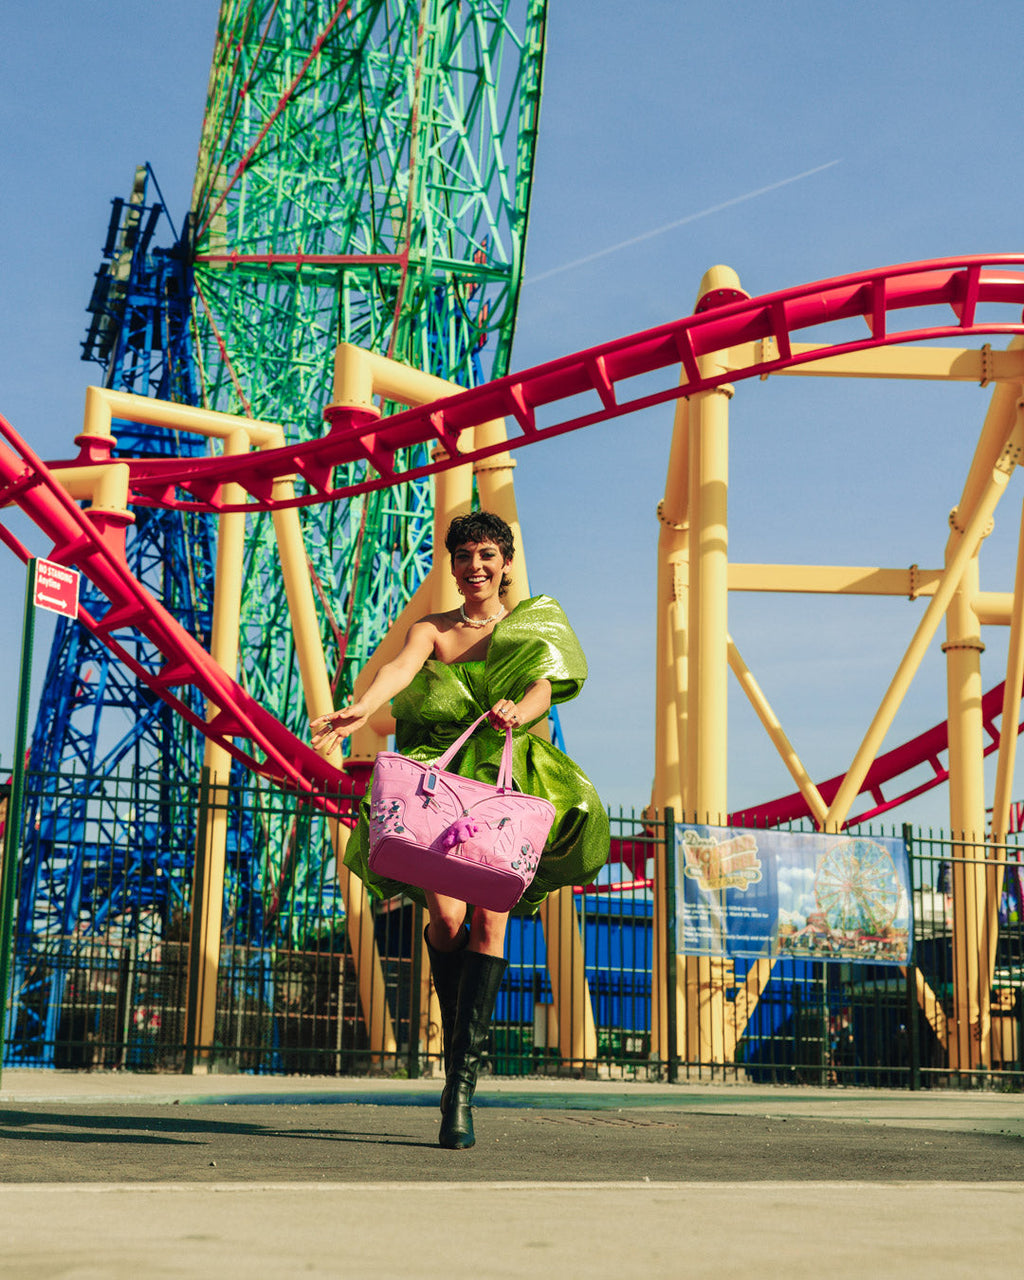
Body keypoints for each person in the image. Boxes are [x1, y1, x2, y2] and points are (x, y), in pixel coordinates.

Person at [311, 511, 609, 1149]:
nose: (475, 566)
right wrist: (361, 706)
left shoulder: (530, 627)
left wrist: (516, 712)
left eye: (486, 556)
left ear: (505, 564)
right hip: (438, 781)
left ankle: (461, 1087)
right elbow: (398, 671)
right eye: (464, 556)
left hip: (501, 775)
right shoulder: (433, 630)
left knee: (491, 920)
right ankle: (457, 1062)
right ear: (453, 566)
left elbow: (542, 691)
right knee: (446, 922)